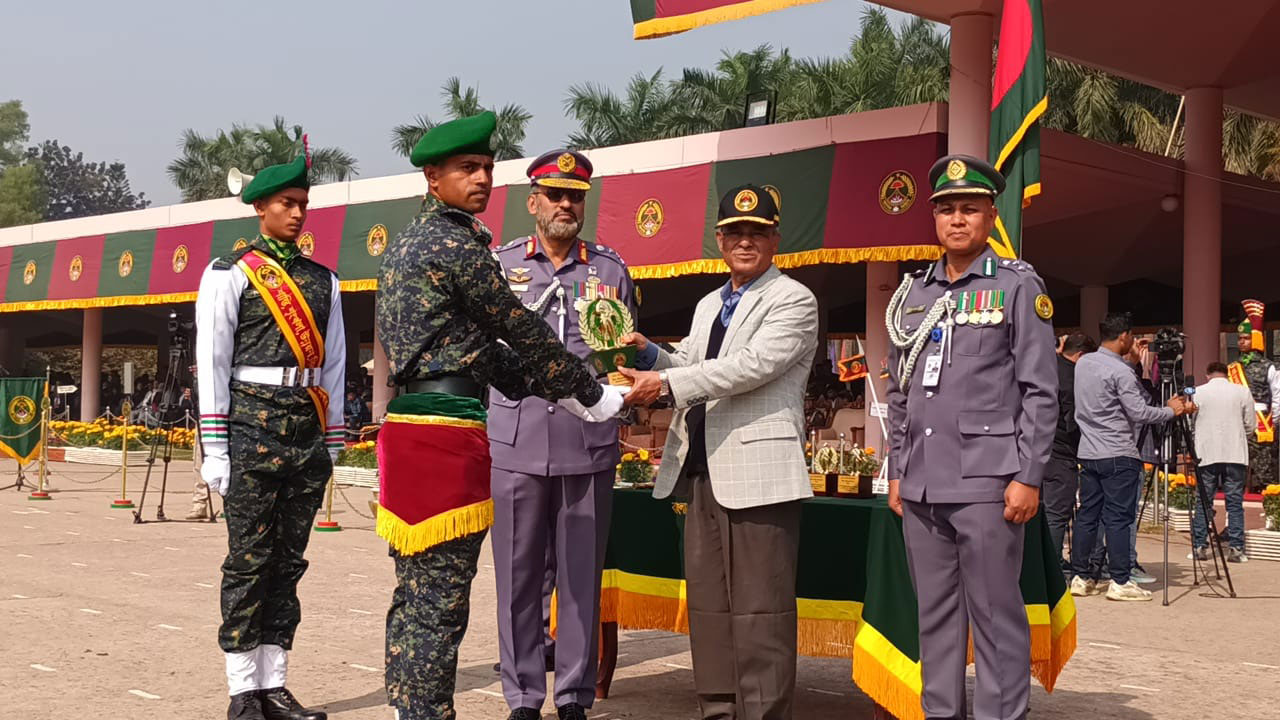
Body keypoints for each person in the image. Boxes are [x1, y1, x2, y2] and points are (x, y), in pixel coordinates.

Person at [374, 113, 628, 720]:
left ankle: (421, 705)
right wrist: (588, 395)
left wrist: (572, 396)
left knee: (416, 592)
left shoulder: (409, 242)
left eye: (487, 167)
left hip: (416, 421)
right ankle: (437, 710)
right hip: (452, 426)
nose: (482, 177)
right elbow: (520, 332)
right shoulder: (462, 246)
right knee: (442, 594)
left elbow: (484, 349)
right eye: (468, 168)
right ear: (432, 178)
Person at [620, 184, 819, 720]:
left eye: (757, 232)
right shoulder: (711, 302)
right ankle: (717, 710)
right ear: (719, 239)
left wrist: (664, 386)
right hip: (701, 469)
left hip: (760, 474)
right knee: (709, 609)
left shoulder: (794, 299)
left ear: (775, 238)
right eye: (735, 232)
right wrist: (651, 353)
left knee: (761, 612)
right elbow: (693, 357)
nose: (745, 241)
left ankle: (763, 713)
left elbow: (750, 366)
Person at [883, 155, 1057, 720]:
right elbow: (902, 394)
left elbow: (1040, 391)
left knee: (994, 616)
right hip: (924, 482)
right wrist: (897, 472)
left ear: (989, 215)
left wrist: (1028, 476)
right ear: (934, 218)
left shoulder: (1016, 285)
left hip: (989, 481)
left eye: (969, 209)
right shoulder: (913, 293)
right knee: (933, 617)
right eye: (946, 209)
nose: (957, 219)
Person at [195, 147, 346, 720]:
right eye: (286, 203)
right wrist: (215, 449)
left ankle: (275, 683)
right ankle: (242, 690)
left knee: (289, 562)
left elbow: (331, 366)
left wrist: (330, 440)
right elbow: (212, 361)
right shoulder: (231, 273)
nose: (297, 214)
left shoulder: (323, 280)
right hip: (249, 429)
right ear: (260, 207)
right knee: (248, 561)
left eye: (303, 204)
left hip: (305, 432)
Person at [485, 149, 637, 720]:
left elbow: (619, 358)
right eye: (555, 195)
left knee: (579, 580)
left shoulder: (610, 269)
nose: (566, 205)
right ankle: (523, 696)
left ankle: (573, 695)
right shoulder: (499, 266)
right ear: (533, 202)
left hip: (586, 441)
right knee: (517, 579)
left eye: (576, 196)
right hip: (517, 439)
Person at [1071, 312, 1191, 602]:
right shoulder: (1122, 373)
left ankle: (1081, 576)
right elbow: (1140, 412)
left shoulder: (1084, 363)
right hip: (1118, 453)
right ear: (1124, 336)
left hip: (1088, 452)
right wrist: (1171, 411)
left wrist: (1134, 361)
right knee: (1119, 519)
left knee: (1087, 516)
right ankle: (1120, 580)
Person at [1044, 332, 1096, 570]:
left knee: (1040, 513)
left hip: (1036, 449)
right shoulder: (1074, 378)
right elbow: (1073, 421)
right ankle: (1052, 567)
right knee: (1057, 514)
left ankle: (1041, 564)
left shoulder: (1046, 365)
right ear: (1081, 356)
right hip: (1061, 451)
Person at [1192, 361, 1253, 563]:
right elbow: (1250, 424)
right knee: (1234, 502)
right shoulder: (1242, 391)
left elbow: (1187, 422)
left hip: (1206, 453)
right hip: (1235, 453)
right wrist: (1240, 436)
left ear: (1207, 374)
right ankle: (1236, 548)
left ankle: (1199, 546)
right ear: (1226, 374)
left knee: (1203, 501)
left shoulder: (1198, 392)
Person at [1228, 300, 1280, 493]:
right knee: (1235, 474)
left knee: (1266, 476)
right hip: (1237, 424)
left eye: (1246, 338)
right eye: (1240, 338)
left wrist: (1273, 421)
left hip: (1262, 424)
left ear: (1256, 339)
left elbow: (1277, 397)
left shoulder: (1269, 366)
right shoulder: (1233, 367)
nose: (1241, 342)